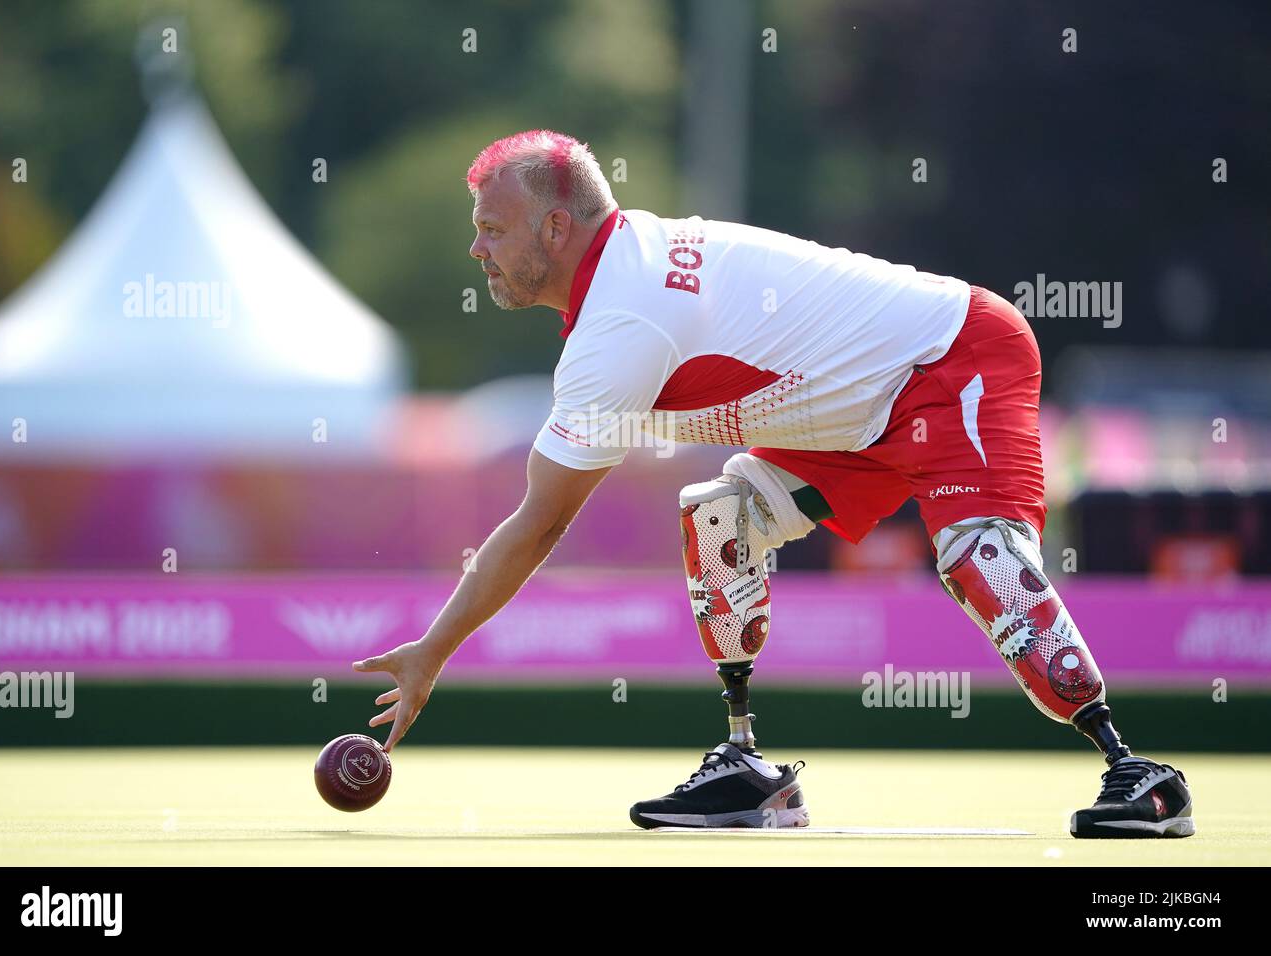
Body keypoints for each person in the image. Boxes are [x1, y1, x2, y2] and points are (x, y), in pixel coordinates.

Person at [353, 129, 1194, 838]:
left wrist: (432, 654)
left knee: (980, 560)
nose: (476, 249)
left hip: (953, 358)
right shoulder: (622, 275)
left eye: (493, 229)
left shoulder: (619, 323)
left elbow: (540, 524)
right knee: (719, 521)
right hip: (848, 418)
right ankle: (750, 775)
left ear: (556, 228)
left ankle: (1141, 777)